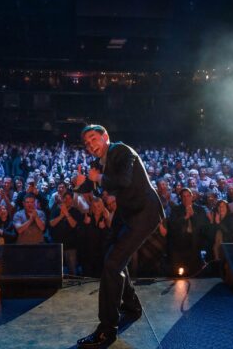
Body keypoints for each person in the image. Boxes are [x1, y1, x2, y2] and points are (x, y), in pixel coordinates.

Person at [75, 125, 163, 348]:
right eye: (86, 143)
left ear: (105, 137)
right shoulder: (98, 163)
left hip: (144, 213)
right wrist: (77, 185)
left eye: (93, 139)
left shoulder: (122, 151)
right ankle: (131, 306)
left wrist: (97, 178)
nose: (90, 145)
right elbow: (94, 186)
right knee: (113, 258)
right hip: (128, 214)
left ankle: (107, 330)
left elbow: (122, 180)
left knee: (113, 263)